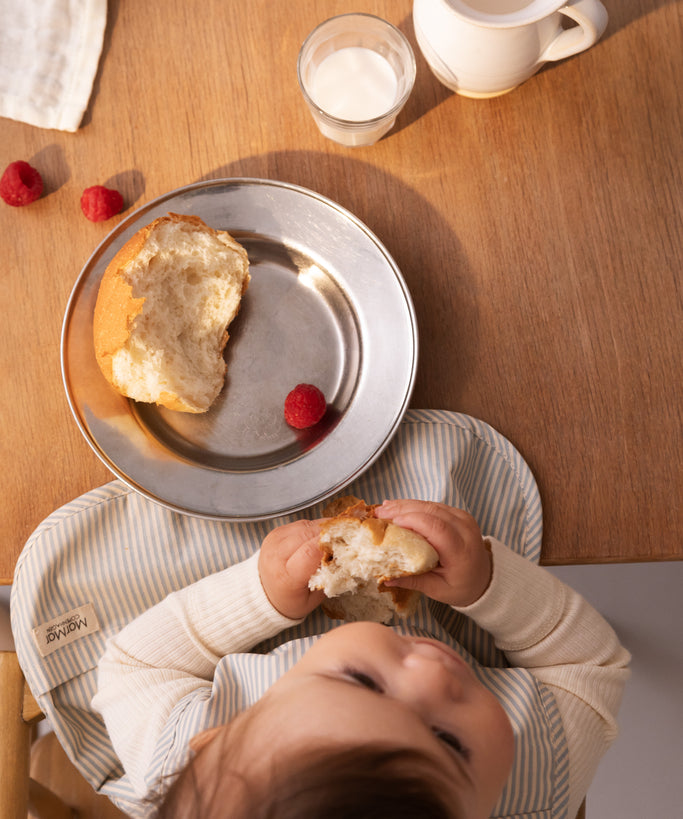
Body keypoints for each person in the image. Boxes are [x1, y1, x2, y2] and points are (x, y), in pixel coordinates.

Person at [92, 499, 630, 819]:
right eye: (450, 743)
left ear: (209, 741)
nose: (432, 674)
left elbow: (135, 668)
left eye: (362, 682)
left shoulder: (190, 760)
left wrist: (260, 596)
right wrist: (487, 586)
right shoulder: (538, 777)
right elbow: (588, 668)